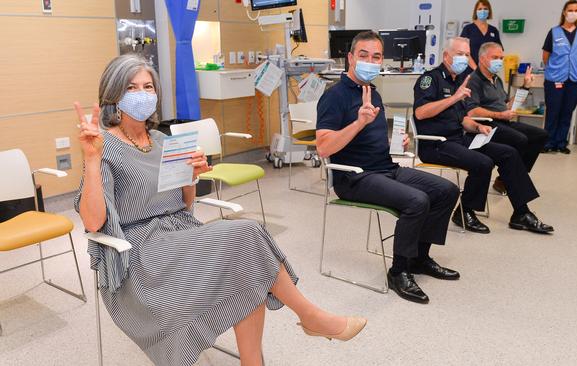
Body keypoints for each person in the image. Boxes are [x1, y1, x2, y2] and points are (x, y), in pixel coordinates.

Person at [74, 54, 366, 366]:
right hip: (143, 252)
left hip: (179, 233)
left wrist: (191, 177)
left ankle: (255, 361)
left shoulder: (161, 140)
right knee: (246, 235)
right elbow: (93, 221)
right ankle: (311, 317)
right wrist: (91, 160)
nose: (142, 95)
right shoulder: (103, 146)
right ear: (114, 95)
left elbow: (183, 204)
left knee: (244, 261)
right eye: (132, 88)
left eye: (148, 87)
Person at [316, 31, 461, 305]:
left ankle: (418, 257)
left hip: (385, 168)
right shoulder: (334, 96)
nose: (371, 61)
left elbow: (370, 140)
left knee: (446, 190)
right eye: (363, 55)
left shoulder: (374, 93)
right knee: (417, 201)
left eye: (377, 56)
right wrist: (358, 122)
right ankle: (399, 271)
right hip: (353, 177)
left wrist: (395, 141)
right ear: (350, 58)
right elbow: (324, 148)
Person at [413, 37, 553, 235]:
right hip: (436, 143)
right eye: (459, 54)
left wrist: (478, 127)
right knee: (483, 162)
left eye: (467, 55)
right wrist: (454, 98)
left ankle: (521, 213)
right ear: (446, 56)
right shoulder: (430, 79)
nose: (464, 58)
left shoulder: (460, 81)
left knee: (509, 153)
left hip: (459, 138)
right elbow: (420, 112)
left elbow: (462, 118)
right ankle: (464, 211)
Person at [466, 42, 549, 194]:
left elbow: (507, 105)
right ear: (482, 59)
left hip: (503, 120)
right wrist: (499, 115)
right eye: (495, 57)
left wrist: (525, 87)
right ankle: (511, 178)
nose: (499, 61)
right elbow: (472, 111)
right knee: (520, 139)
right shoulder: (473, 80)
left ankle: (505, 179)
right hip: (487, 125)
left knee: (540, 135)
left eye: (501, 58)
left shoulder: (496, 80)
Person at [541, 0, 577, 154]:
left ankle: (561, 143)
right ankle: (548, 142)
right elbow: (545, 56)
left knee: (567, 111)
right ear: (564, 12)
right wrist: (555, 69)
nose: (573, 13)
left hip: (575, 78)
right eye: (570, 10)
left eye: (576, 10)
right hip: (555, 78)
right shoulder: (554, 32)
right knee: (553, 111)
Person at [460, 0, 502, 70]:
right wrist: (476, 69)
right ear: (476, 12)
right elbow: (463, 52)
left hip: (489, 70)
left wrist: (494, 66)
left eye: (485, 9)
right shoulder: (468, 29)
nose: (483, 11)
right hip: (470, 71)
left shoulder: (493, 30)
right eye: (480, 9)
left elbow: (499, 51)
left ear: (489, 12)